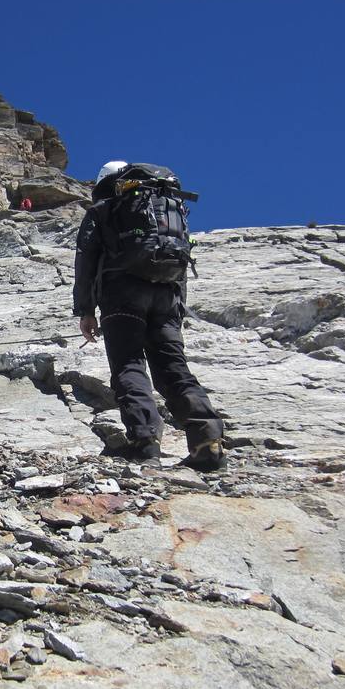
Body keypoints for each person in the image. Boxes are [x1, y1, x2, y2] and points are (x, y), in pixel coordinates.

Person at [72, 161, 226, 470]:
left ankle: (145, 445)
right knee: (174, 369)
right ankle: (206, 440)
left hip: (121, 296)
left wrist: (86, 310)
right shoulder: (163, 209)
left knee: (129, 365)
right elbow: (179, 258)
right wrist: (177, 309)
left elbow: (86, 260)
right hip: (167, 296)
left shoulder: (104, 210)